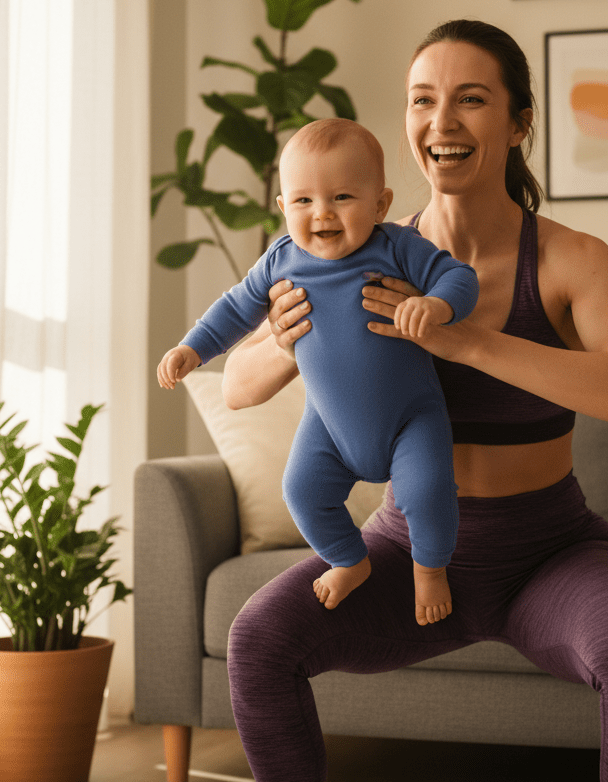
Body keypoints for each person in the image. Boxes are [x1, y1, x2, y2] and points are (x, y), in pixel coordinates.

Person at [219, 20, 608, 782]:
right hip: (406, 552)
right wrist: (282, 340)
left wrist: (471, 341)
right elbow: (237, 385)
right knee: (259, 639)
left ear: (517, 124)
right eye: (423, 100)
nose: (443, 121)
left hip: (550, 552)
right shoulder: (350, 248)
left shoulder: (572, 261)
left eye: (471, 99)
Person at [158, 118, 479, 624]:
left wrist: (437, 306)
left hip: (410, 418)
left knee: (427, 493)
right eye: (304, 201)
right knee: (302, 492)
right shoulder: (280, 262)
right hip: (328, 425)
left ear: (380, 204)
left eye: (342, 198)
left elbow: (459, 276)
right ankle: (348, 560)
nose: (322, 213)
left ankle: (431, 569)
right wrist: (192, 348)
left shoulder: (398, 247)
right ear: (284, 208)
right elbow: (233, 309)